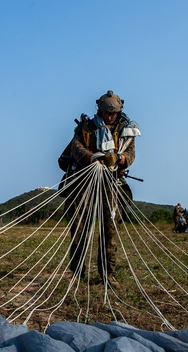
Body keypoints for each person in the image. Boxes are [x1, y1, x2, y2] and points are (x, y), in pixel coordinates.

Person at [57, 90, 140, 284]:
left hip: (111, 183)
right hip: (83, 182)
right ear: (99, 110)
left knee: (110, 229)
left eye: (113, 113)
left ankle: (108, 274)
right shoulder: (86, 127)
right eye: (106, 113)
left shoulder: (126, 130)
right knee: (79, 227)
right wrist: (91, 156)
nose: (110, 116)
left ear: (119, 111)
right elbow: (76, 148)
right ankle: (77, 274)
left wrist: (119, 158)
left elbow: (131, 155)